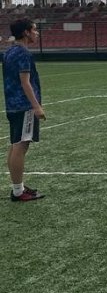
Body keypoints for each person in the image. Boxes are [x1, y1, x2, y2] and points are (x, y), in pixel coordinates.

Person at [3, 18, 46, 201]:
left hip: (12, 104)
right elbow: (25, 82)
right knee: (21, 146)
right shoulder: (23, 54)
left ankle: (17, 187)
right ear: (26, 32)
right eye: (34, 30)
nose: (37, 33)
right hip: (24, 106)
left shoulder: (9, 52)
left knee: (15, 146)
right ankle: (18, 192)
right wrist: (36, 106)